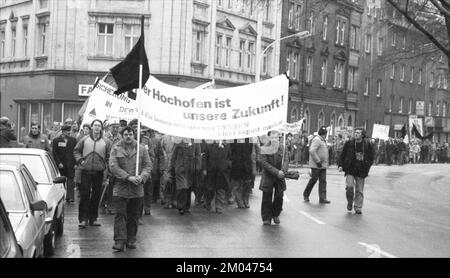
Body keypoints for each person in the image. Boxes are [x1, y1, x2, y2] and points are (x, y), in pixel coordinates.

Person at [109, 126, 151, 251]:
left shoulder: (142, 149)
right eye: (126, 134)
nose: (128, 136)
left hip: (137, 189)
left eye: (131, 134)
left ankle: (131, 238)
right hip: (120, 187)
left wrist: (142, 177)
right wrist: (128, 177)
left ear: (134, 135)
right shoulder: (116, 148)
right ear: (122, 135)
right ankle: (119, 241)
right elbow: (113, 166)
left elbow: (147, 165)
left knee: (134, 215)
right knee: (120, 214)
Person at [73, 119, 112, 228]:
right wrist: (80, 160)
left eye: (99, 125)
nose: (97, 127)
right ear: (91, 127)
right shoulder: (84, 139)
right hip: (85, 171)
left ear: (101, 128)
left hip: (99, 172)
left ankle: (93, 218)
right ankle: (83, 219)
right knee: (84, 195)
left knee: (96, 196)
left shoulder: (107, 141)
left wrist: (108, 169)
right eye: (95, 125)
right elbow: (76, 151)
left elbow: (109, 156)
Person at [338, 128, 374, 215]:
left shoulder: (367, 144)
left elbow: (371, 157)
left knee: (359, 190)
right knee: (349, 187)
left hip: (361, 170)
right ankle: (350, 202)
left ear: (362, 135)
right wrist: (340, 165)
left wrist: (367, 166)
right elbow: (342, 155)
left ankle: (358, 207)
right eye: (355, 132)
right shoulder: (349, 143)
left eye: (358, 133)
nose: (356, 134)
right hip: (350, 168)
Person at [258, 130, 289, 225]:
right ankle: (266, 217)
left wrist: (283, 170)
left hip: (280, 176)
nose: (274, 139)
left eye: (276, 137)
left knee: (279, 196)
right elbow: (264, 162)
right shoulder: (264, 148)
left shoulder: (283, 148)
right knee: (267, 196)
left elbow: (286, 160)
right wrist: (276, 172)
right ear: (269, 138)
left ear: (279, 137)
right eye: (272, 137)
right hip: (268, 175)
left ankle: (275, 214)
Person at [170, 139, 201, 215]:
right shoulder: (178, 143)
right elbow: (173, 156)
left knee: (188, 188)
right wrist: (172, 167)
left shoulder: (196, 143)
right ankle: (180, 206)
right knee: (182, 187)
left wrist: (198, 167)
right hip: (180, 168)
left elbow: (198, 156)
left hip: (190, 169)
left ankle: (187, 207)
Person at [202, 140, 232, 214]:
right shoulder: (209, 145)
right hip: (211, 171)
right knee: (210, 190)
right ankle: (208, 203)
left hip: (222, 172)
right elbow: (205, 158)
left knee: (221, 189)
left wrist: (228, 165)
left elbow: (230, 157)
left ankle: (219, 207)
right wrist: (204, 169)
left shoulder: (227, 145)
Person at [303, 126, 330, 204]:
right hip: (317, 165)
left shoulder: (322, 140)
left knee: (323, 181)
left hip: (322, 165)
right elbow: (312, 150)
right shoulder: (317, 140)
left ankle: (322, 198)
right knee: (313, 180)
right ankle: (306, 194)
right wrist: (318, 161)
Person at [101, 120, 122, 214]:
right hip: (105, 164)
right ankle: (102, 204)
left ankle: (111, 205)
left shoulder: (121, 138)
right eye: (113, 127)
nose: (115, 129)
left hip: (116, 164)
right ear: (110, 127)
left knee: (113, 186)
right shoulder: (105, 137)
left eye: (117, 127)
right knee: (104, 184)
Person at [52, 125, 77, 203]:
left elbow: (76, 152)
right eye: (67, 131)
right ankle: (61, 196)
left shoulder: (73, 140)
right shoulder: (56, 140)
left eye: (69, 131)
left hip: (70, 164)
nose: (69, 132)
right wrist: (58, 163)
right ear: (63, 131)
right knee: (61, 181)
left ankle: (70, 197)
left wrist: (76, 163)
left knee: (70, 181)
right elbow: (54, 153)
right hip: (61, 164)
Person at [230, 139, 253, 208]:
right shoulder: (234, 139)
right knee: (237, 185)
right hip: (237, 164)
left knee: (247, 184)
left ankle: (246, 200)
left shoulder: (249, 139)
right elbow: (231, 151)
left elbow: (250, 151)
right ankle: (240, 202)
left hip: (247, 164)